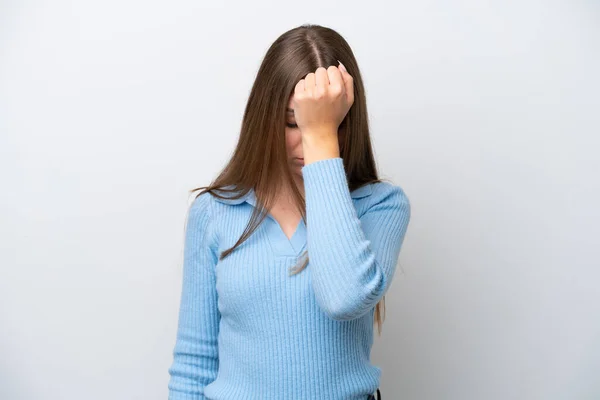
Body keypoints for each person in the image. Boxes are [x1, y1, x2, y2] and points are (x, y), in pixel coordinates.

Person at [167, 23, 410, 400]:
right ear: (264, 118)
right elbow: (194, 364)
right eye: (293, 123)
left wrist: (320, 142)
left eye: (330, 123)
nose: (305, 140)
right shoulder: (214, 212)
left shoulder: (380, 205)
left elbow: (343, 297)